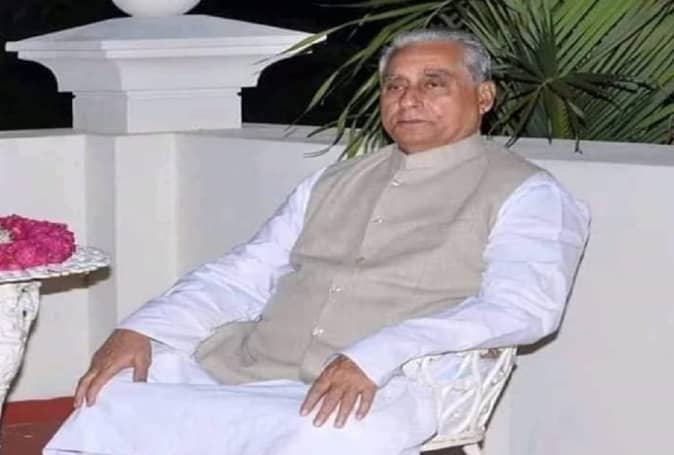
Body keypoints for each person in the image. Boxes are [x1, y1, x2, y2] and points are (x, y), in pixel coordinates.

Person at [45, 29, 590, 455]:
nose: (409, 99)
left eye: (433, 83)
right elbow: (246, 272)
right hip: (252, 365)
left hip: (386, 382)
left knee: (316, 435)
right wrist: (143, 327)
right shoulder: (334, 180)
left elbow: (523, 308)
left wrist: (378, 354)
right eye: (395, 85)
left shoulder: (527, 192)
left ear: (484, 96)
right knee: (110, 395)